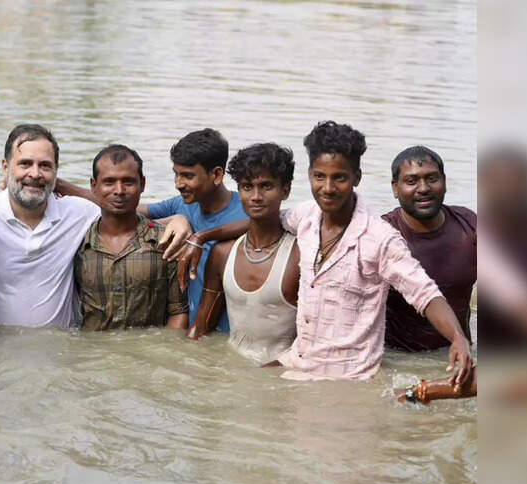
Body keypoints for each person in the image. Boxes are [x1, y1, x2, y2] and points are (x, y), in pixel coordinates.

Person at [180, 122, 473, 383]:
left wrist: (457, 338)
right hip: (299, 361)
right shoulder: (306, 217)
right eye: (320, 177)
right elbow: (264, 218)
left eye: (339, 178)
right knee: (235, 391)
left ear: (357, 177)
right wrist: (202, 236)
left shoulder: (380, 238)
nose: (328, 188)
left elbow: (424, 292)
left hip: (349, 377)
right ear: (309, 176)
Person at [0, 124, 191, 328]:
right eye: (25, 164)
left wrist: (177, 220)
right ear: (5, 167)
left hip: (59, 352)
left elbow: (126, 220)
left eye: (45, 166)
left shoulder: (77, 213)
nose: (35, 174)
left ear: (56, 171)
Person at [57, 128, 243, 330]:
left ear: (216, 175)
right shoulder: (180, 205)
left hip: (229, 331)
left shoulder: (248, 210)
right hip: (191, 334)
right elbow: (126, 207)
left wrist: (201, 237)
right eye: (177, 175)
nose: (179, 184)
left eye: (188, 176)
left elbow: (271, 220)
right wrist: (55, 183)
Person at [187, 143, 300, 365]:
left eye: (266, 186)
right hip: (232, 369)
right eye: (247, 187)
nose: (256, 196)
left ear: (285, 191)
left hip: (281, 377)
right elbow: (201, 326)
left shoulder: (300, 255)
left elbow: (313, 341)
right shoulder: (222, 253)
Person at [73, 145, 188, 330]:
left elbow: (179, 311)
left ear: (142, 184)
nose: (119, 190)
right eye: (109, 182)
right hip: (92, 354)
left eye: (128, 182)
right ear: (94, 186)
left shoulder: (165, 241)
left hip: (147, 354)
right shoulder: (76, 242)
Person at [382, 146, 476, 351]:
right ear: (395, 188)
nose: (423, 188)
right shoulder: (381, 235)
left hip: (461, 356)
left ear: (445, 182)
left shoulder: (470, 227)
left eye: (432, 179)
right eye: (411, 181)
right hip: (399, 360)